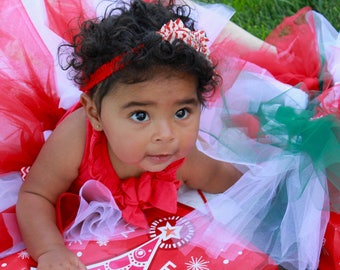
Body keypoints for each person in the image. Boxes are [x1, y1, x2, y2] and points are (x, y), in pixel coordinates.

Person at [0, 0, 339, 269]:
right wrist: (49, 251)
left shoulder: (182, 157)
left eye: (182, 112)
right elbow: (36, 197)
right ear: (95, 113)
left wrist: (278, 191)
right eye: (140, 115)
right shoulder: (75, 140)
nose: (165, 134)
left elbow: (226, 178)